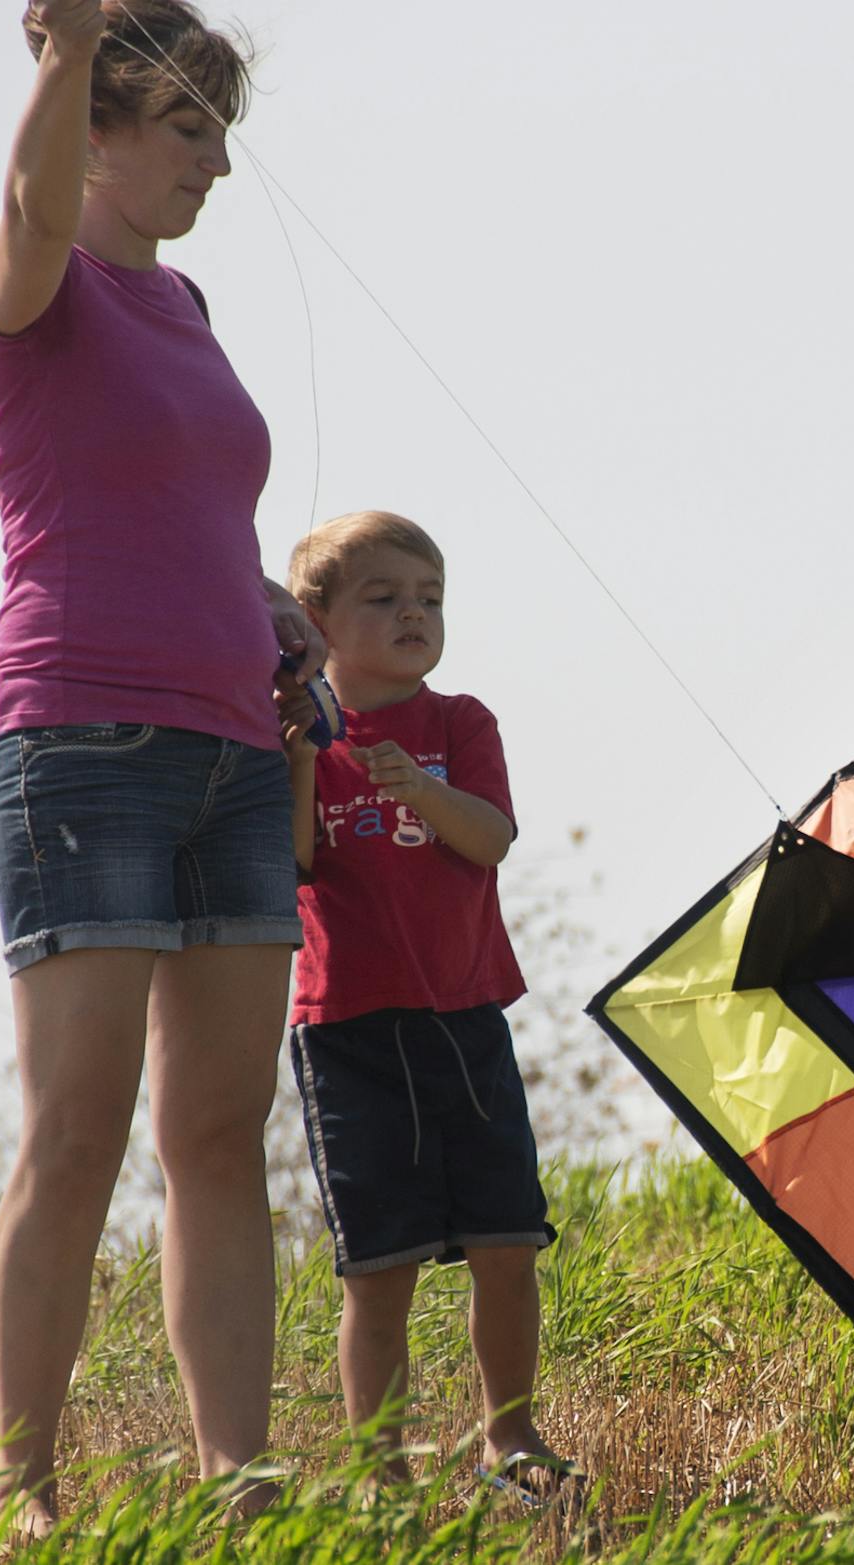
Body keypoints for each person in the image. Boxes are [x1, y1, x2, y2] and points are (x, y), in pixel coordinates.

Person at [0, 0, 322, 1529]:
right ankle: (21, 1490)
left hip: (238, 751)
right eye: (189, 128)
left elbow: (190, 511)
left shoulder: (184, 312)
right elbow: (32, 211)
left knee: (219, 1134)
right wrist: (57, 51)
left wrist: (267, 611)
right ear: (97, 132)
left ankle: (237, 1478)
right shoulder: (20, 278)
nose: (219, 164)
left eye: (221, 131)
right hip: (84, 746)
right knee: (80, 1124)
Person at [278, 511, 573, 1500]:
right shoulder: (294, 734)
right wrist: (303, 762)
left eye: (430, 598)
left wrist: (418, 788)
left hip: (466, 1013)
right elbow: (293, 866)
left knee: (507, 1241)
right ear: (315, 618)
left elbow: (489, 837)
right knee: (379, 1266)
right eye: (385, 596)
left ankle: (512, 1435)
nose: (415, 613)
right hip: (349, 1030)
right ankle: (382, 1467)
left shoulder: (458, 724)